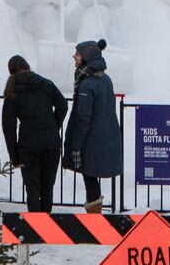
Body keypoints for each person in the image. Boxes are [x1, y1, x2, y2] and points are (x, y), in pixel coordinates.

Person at [2, 55, 68, 213]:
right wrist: (54, 125)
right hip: (51, 142)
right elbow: (63, 105)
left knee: (32, 188)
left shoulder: (12, 91)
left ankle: (35, 226)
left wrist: (14, 155)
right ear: (27, 66)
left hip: (28, 145)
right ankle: (46, 225)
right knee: (47, 187)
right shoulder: (45, 84)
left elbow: (8, 127)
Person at [62, 39, 122, 213]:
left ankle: (94, 220)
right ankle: (95, 215)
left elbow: (83, 118)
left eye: (78, 54)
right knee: (91, 178)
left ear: (86, 57)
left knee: (89, 178)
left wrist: (76, 145)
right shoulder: (106, 80)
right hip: (105, 138)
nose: (74, 56)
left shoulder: (87, 84)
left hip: (90, 141)